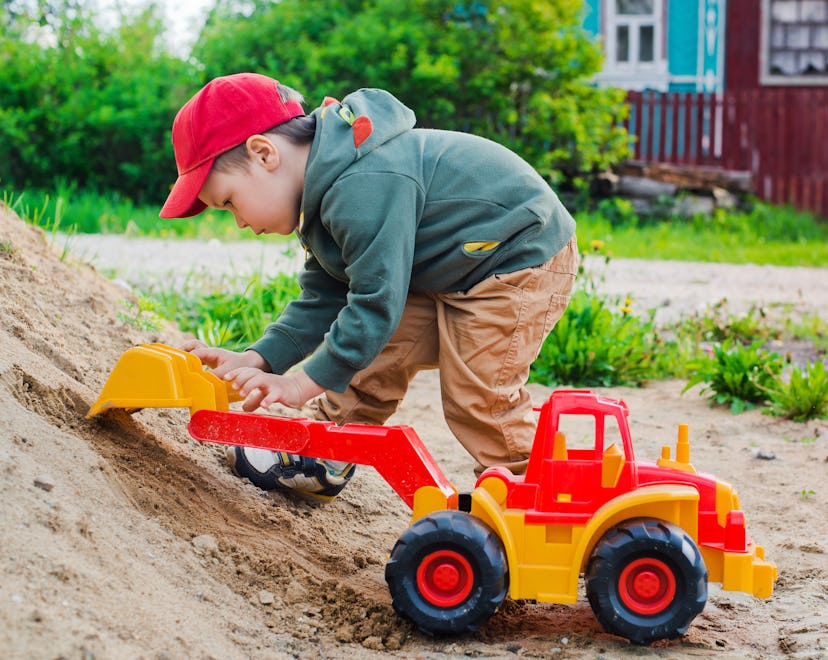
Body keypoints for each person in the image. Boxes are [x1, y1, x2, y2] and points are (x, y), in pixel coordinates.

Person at [160, 72, 579, 500]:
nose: (241, 222)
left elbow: (375, 303)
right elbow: (325, 294)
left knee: (478, 392)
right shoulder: (324, 192)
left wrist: (301, 384)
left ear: (264, 154)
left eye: (229, 201)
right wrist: (260, 359)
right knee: (380, 351)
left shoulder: (360, 184)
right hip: (451, 269)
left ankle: (535, 496)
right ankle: (328, 447)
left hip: (515, 257)